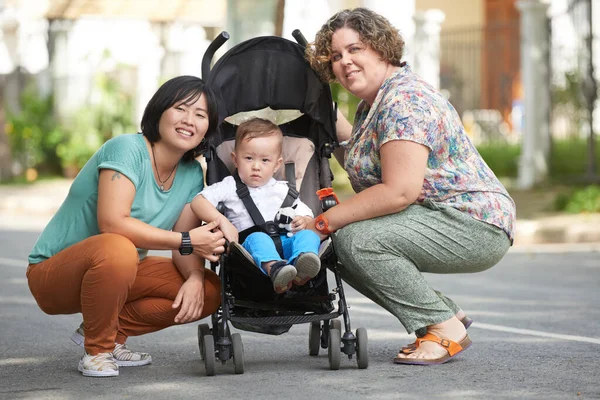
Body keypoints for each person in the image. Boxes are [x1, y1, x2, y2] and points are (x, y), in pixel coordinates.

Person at [305, 7, 516, 365]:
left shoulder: (405, 101)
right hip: (437, 215)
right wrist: (323, 113)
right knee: (340, 248)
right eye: (336, 56)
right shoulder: (373, 103)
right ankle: (444, 316)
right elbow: (362, 161)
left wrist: (323, 223)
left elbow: (398, 191)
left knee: (357, 241)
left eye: (355, 49)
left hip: (473, 222)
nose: (345, 62)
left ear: (381, 47)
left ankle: (443, 327)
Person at [26, 75, 229, 377]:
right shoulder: (127, 149)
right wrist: (186, 239)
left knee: (210, 292)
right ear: (158, 111)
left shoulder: (190, 174)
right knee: (119, 247)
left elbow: (187, 244)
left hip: (120, 271)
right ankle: (98, 350)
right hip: (56, 274)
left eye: (200, 115)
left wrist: (196, 277)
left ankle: (108, 331)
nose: (189, 120)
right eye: (180, 109)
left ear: (207, 130)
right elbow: (112, 222)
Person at [190, 117, 321, 294]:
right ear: (235, 160)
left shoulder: (284, 189)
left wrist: (304, 220)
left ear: (277, 165)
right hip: (250, 249)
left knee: (308, 236)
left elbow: (306, 212)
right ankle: (276, 269)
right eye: (249, 158)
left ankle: (302, 264)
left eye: (265, 160)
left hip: (287, 243)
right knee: (259, 239)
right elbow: (198, 202)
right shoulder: (229, 186)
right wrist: (221, 220)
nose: (256, 166)